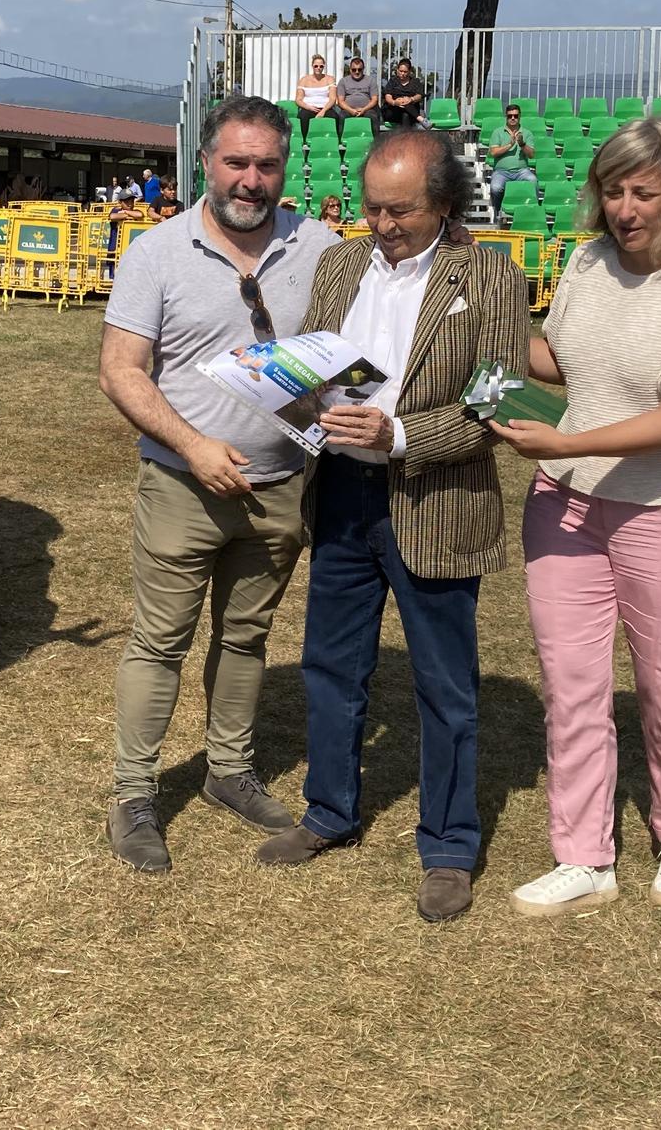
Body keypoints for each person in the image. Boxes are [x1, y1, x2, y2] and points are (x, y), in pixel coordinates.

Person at [252, 128, 529, 924]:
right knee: (330, 667)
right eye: (373, 207)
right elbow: (333, 375)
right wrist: (286, 388)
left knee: (446, 689)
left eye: (401, 209)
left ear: (444, 202)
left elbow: (495, 405)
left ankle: (448, 845)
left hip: (436, 503)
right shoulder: (339, 265)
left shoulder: (493, 276)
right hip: (341, 496)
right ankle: (329, 812)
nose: (383, 222)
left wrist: (399, 434)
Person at [489, 116, 661, 918]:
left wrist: (565, 438)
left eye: (645, 191)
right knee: (570, 689)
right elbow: (561, 360)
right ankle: (583, 857)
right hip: (565, 506)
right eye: (613, 190)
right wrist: (477, 344)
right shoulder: (587, 261)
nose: (625, 208)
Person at [97, 95, 340, 872]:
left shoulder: (322, 247)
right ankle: (134, 794)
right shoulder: (157, 253)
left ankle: (228, 772)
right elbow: (119, 370)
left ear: (284, 168)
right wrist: (193, 444)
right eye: (237, 162)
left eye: (267, 164)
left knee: (247, 636)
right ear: (205, 162)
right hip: (182, 485)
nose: (251, 179)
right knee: (159, 641)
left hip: (281, 487)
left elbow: (349, 361)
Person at [487, 104, 538, 205]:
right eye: (510, 116)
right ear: (506, 117)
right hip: (501, 172)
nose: (513, 118)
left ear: (520, 116)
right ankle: (498, 212)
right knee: (495, 188)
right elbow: (493, 152)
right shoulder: (498, 132)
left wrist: (522, 144)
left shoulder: (527, 133)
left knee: (533, 181)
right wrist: (510, 145)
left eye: (515, 115)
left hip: (521, 171)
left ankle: (533, 209)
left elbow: (531, 155)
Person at [331, 56, 378, 127]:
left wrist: (364, 109)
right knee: (342, 116)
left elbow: (374, 100)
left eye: (359, 69)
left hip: (367, 110)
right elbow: (340, 101)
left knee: (373, 117)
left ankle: (376, 138)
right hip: (348, 110)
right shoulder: (343, 81)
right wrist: (351, 110)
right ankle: (341, 138)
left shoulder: (371, 80)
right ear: (350, 70)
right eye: (354, 70)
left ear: (363, 69)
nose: (357, 72)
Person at [380, 58, 426, 128]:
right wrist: (394, 102)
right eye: (401, 71)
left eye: (405, 72)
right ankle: (421, 119)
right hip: (393, 111)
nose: (402, 74)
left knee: (405, 113)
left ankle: (405, 138)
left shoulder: (415, 82)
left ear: (409, 71)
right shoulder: (392, 81)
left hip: (410, 113)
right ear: (397, 70)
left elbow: (419, 95)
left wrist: (411, 99)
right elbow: (388, 96)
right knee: (403, 105)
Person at [295, 54, 337, 120]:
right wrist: (309, 107)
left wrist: (323, 111)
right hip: (308, 108)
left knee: (334, 117)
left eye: (321, 66)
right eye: (316, 66)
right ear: (312, 66)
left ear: (324, 67)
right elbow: (298, 100)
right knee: (303, 116)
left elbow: (332, 99)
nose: (318, 68)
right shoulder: (304, 80)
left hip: (326, 108)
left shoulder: (330, 79)